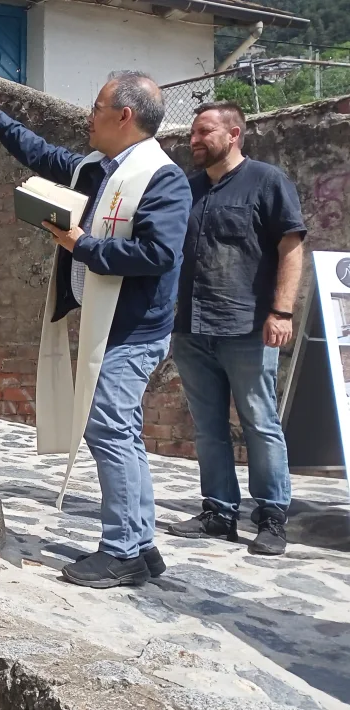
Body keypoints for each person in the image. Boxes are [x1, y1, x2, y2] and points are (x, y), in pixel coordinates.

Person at [0, 73, 191, 589]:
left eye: (98, 105)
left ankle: (122, 550)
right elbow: (45, 157)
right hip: (104, 321)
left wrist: (81, 244)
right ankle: (141, 543)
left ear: (124, 116)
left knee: (108, 428)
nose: (90, 114)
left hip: (134, 328)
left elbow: (158, 255)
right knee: (122, 432)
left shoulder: (161, 178)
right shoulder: (98, 167)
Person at [166, 101, 306, 556]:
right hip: (191, 327)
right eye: (192, 133)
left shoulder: (268, 182)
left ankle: (271, 517)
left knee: (259, 422)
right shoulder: (187, 190)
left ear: (234, 134)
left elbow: (291, 248)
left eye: (205, 132)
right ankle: (219, 512)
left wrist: (281, 313)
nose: (195, 141)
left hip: (247, 326)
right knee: (208, 427)